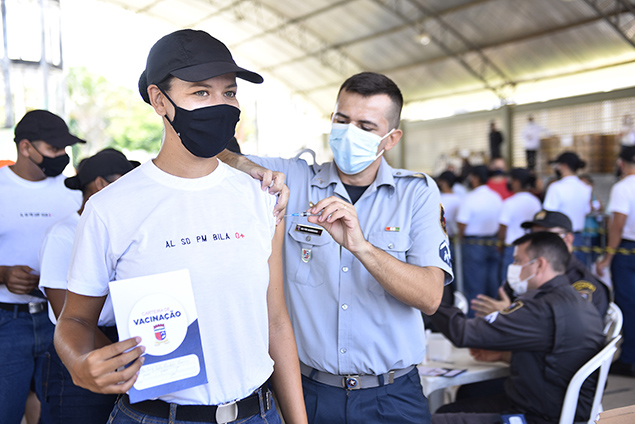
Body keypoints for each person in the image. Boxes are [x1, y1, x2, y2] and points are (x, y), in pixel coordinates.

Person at [54, 29, 307, 424]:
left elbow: (276, 319)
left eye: (229, 92)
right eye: (201, 93)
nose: (220, 105)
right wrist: (78, 362)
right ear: (159, 100)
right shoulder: (110, 208)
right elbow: (75, 320)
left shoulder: (260, 196)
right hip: (155, 416)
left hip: (257, 413)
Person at [220, 71, 453, 424]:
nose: (349, 133)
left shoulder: (415, 193)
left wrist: (361, 247)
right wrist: (251, 167)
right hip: (310, 393)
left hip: (391, 397)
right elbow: (216, 157)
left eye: (366, 126)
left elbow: (430, 296)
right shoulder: (295, 179)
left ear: (391, 139)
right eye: (342, 121)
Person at [431, 232, 605, 424]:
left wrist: (428, 298)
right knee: (451, 408)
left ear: (539, 264)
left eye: (517, 261)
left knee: (435, 421)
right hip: (557, 406)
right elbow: (555, 358)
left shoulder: (541, 308)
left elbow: (462, 333)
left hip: (540, 416)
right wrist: (503, 356)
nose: (512, 268)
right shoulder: (575, 300)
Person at [38, 149, 137, 423]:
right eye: (125, 179)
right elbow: (65, 316)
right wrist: (124, 358)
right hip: (82, 347)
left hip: (124, 343)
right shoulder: (63, 234)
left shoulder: (127, 228)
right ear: (101, 185)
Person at [0, 109, 85, 424]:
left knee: (58, 412)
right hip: (8, 322)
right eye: (54, 149)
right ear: (25, 147)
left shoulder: (73, 191)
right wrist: (3, 274)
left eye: (65, 149)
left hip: (61, 320)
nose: (61, 156)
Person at [472, 210, 610, 319]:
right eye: (532, 236)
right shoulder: (523, 274)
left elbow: (572, 330)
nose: (537, 243)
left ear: (567, 239)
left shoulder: (583, 284)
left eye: (545, 237)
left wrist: (510, 314)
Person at [597, 145, 635, 377]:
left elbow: (617, 226)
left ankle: (630, 358)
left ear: (621, 163)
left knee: (628, 305)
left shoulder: (622, 188)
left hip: (627, 251)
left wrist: (608, 257)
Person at [456, 165, 503, 309]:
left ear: (475, 178)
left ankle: (474, 321)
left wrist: (461, 237)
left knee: (474, 286)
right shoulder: (496, 197)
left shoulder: (470, 198)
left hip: (473, 244)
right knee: (493, 284)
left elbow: (462, 224)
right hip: (493, 242)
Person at [544, 151, 592, 265]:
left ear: (564, 166)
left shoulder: (556, 187)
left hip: (560, 238)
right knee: (579, 278)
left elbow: (549, 215)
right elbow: (587, 210)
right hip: (579, 238)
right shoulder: (585, 188)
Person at [497, 168, 541, 273]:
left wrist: (500, 244)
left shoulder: (510, 202)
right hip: (531, 247)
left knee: (509, 280)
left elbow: (503, 227)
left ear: (516, 181)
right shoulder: (535, 201)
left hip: (512, 248)